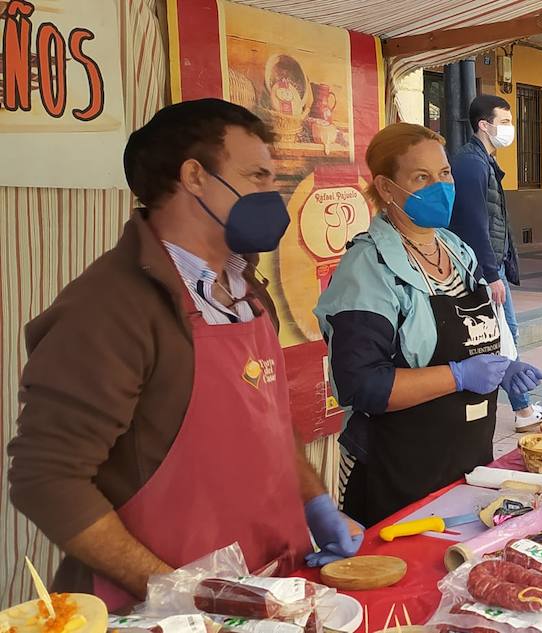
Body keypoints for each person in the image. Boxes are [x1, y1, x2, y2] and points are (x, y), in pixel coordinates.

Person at [7, 99, 360, 608]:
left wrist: (315, 502)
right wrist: (175, 591)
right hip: (163, 610)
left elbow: (271, 424)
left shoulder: (246, 289)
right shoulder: (110, 306)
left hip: (268, 587)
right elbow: (45, 478)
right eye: (258, 176)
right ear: (195, 177)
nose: (272, 194)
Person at [316, 123, 542, 527]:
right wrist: (458, 376)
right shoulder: (369, 268)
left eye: (444, 174)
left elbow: (473, 336)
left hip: (468, 461)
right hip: (395, 470)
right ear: (387, 188)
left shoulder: (455, 250)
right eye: (421, 177)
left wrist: (501, 368)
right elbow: (362, 385)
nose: (439, 186)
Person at [447, 94, 542, 431]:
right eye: (504, 122)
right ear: (484, 125)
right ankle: (522, 411)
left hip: (489, 266)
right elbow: (473, 224)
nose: (510, 129)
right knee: (504, 336)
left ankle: (519, 408)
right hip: (480, 271)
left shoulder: (483, 161)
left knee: (503, 336)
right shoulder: (471, 163)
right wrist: (493, 274)